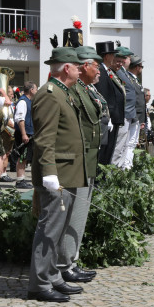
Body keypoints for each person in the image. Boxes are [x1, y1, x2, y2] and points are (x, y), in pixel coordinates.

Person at [28, 48, 88, 302]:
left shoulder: (63, 93)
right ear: (66, 68)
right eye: (77, 66)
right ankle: (39, 284)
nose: (80, 70)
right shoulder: (50, 95)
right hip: (57, 174)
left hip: (68, 172)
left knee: (59, 229)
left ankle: (52, 276)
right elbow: (45, 139)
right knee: (49, 229)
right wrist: (49, 174)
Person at [55, 45, 105, 284]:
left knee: (79, 215)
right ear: (84, 66)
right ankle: (65, 263)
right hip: (77, 160)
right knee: (73, 215)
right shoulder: (73, 90)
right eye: (96, 65)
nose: (99, 71)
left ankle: (70, 260)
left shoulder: (85, 89)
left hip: (88, 158)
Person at [95, 41, 126, 166]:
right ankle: (99, 181)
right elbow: (103, 95)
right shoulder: (101, 72)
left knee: (109, 151)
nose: (114, 58)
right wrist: (108, 116)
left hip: (114, 117)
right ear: (107, 56)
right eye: (112, 54)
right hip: (109, 118)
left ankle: (102, 178)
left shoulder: (107, 71)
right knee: (104, 152)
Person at [13, 81, 38, 189]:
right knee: (22, 157)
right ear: (31, 90)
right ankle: (20, 180)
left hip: (28, 133)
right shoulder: (23, 102)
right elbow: (20, 119)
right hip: (24, 134)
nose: (37, 91)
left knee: (25, 157)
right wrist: (24, 134)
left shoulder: (28, 101)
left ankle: (21, 179)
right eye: (36, 89)